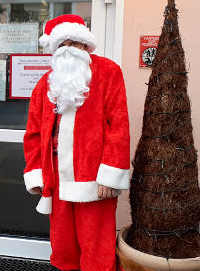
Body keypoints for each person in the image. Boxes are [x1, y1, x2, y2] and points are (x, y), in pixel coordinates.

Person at [23, 14, 130, 271]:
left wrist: (110, 175)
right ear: (55, 48)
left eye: (75, 42)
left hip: (94, 177)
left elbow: (119, 125)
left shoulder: (108, 72)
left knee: (96, 245)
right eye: (63, 44)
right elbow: (34, 133)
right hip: (56, 178)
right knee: (63, 246)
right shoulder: (46, 84)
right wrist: (36, 174)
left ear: (86, 44)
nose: (69, 49)